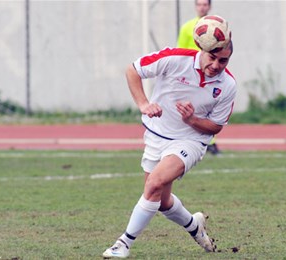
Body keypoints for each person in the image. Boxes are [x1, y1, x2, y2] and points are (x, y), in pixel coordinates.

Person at [102, 17, 236, 259]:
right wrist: (143, 103)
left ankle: (123, 244)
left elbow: (215, 126)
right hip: (156, 134)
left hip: (190, 141)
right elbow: (133, 70)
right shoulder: (175, 58)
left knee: (153, 184)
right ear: (202, 49)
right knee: (162, 201)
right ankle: (194, 225)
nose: (217, 65)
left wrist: (192, 120)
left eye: (223, 60)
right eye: (212, 57)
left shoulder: (227, 86)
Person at [177, 0, 221, 155]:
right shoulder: (187, 27)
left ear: (209, 6)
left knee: (210, 106)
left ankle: (211, 142)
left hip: (210, 74)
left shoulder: (217, 26)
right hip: (192, 74)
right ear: (195, 6)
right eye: (199, 4)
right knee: (190, 107)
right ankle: (186, 139)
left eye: (204, 4)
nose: (202, 7)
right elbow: (180, 51)